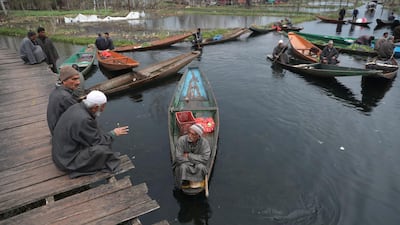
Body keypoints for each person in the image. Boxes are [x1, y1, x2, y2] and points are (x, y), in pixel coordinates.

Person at [52, 90, 129, 178]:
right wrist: (113, 133)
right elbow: (98, 142)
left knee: (99, 132)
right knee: (102, 150)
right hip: (67, 161)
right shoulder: (84, 119)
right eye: (103, 107)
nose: (103, 109)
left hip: (59, 154)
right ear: (95, 107)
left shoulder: (77, 107)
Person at [173, 123, 211, 188]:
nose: (190, 136)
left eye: (193, 134)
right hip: (185, 163)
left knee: (201, 167)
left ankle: (197, 182)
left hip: (197, 165)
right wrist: (194, 162)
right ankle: (185, 182)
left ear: (198, 136)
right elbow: (178, 158)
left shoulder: (204, 143)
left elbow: (205, 159)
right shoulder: (181, 140)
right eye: (189, 133)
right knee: (183, 167)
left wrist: (189, 155)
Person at [47, 66, 80, 135]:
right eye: (74, 79)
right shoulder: (65, 97)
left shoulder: (55, 91)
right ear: (64, 81)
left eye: (78, 79)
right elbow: (80, 116)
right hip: (61, 134)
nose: (78, 82)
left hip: (55, 129)